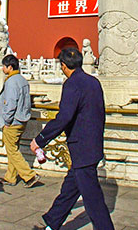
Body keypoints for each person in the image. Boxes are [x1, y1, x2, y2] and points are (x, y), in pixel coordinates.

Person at [30, 48, 114, 230]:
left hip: (82, 147)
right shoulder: (93, 82)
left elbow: (64, 117)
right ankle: (52, 222)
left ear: (63, 65)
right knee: (70, 189)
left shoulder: (72, 84)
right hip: (92, 144)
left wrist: (40, 139)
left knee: (93, 199)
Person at [0, 54, 39, 188]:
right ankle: (10, 177)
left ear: (9, 67)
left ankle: (29, 175)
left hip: (13, 121)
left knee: (12, 151)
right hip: (22, 119)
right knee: (13, 149)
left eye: (4, 66)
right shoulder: (23, 80)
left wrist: (6, 120)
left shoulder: (11, 82)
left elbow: (10, 104)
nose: (3, 69)